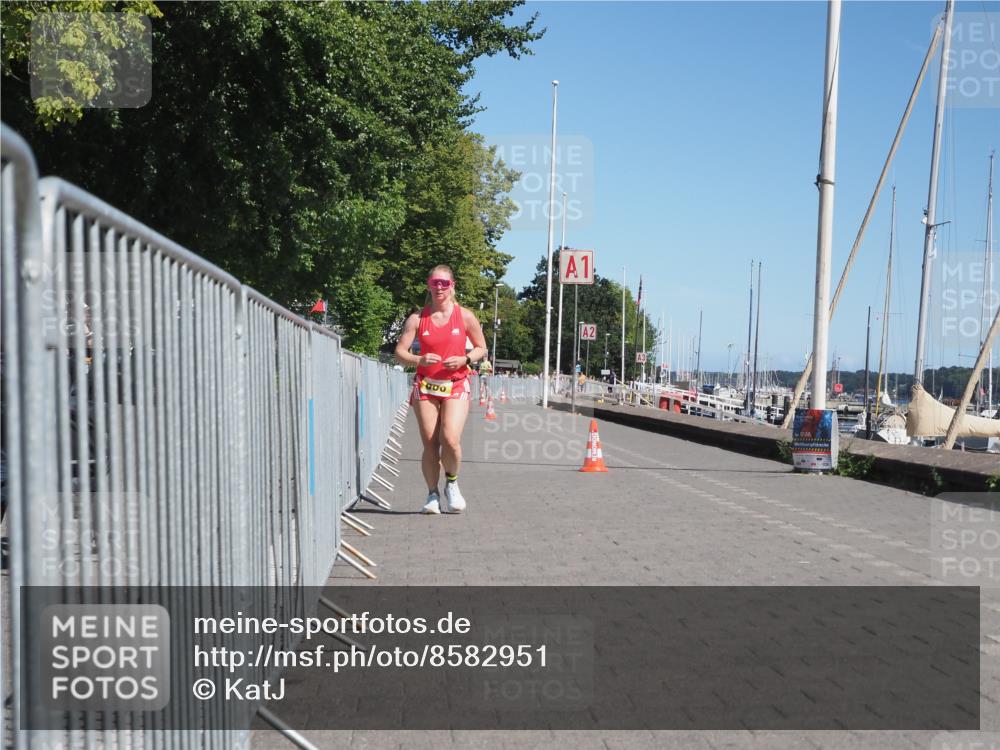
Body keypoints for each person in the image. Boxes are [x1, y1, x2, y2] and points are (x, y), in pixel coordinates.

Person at [395, 265, 487, 514]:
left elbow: (482, 348)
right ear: (429, 285)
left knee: (450, 439)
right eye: (435, 283)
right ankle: (432, 494)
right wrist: (419, 360)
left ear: (452, 286)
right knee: (430, 443)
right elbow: (400, 352)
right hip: (426, 386)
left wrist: (465, 359)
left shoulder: (465, 316)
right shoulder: (417, 318)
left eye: (444, 283)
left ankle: (452, 483)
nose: (439, 288)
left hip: (456, 384)